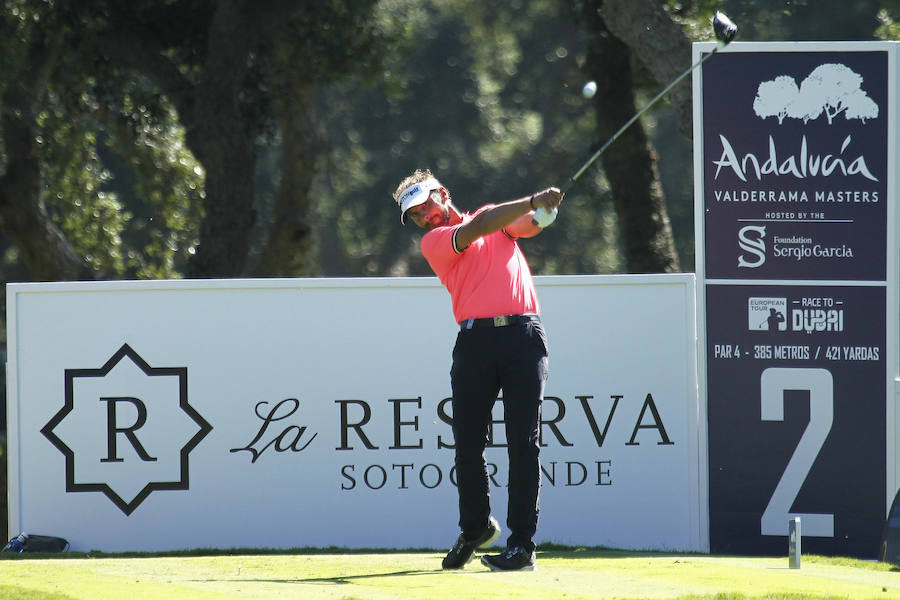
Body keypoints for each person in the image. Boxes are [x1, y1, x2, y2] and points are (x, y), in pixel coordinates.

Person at [392, 169, 563, 572]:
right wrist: (533, 198)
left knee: (524, 442)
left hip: (523, 335)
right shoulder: (435, 242)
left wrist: (546, 211)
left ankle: (522, 546)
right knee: (468, 443)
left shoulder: (497, 219)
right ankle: (475, 528)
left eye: (425, 207)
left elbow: (530, 225)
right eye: (415, 215)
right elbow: (485, 224)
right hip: (474, 343)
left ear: (443, 194)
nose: (424, 218)